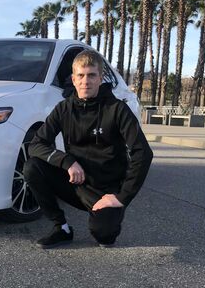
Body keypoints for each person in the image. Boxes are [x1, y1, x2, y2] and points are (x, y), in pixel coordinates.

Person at [23, 50, 153, 249]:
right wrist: (66, 161)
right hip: (76, 182)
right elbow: (36, 145)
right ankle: (61, 228)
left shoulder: (117, 109)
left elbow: (143, 153)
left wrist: (122, 197)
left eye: (92, 75)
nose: (86, 81)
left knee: (104, 236)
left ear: (100, 78)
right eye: (81, 75)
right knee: (33, 167)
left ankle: (106, 219)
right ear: (73, 79)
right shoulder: (63, 108)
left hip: (105, 191)